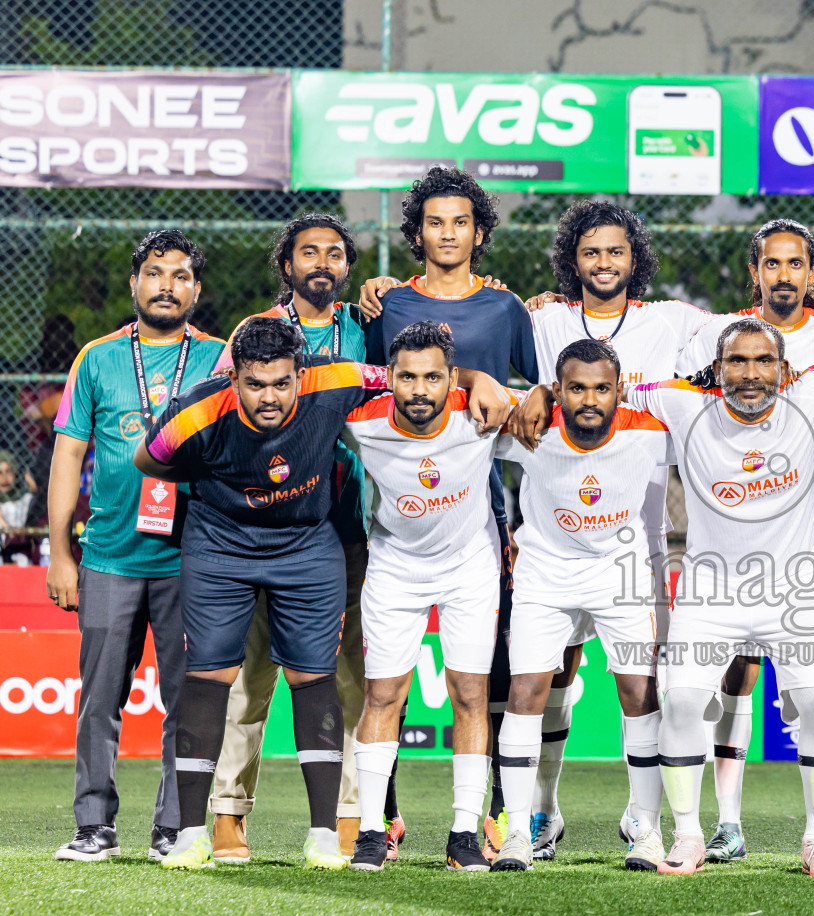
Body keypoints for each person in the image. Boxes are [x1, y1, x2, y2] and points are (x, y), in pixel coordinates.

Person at [511, 317, 814, 876]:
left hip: (794, 590)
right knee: (681, 704)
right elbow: (605, 386)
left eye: (762, 362)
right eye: (736, 361)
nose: (750, 374)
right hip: (711, 592)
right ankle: (686, 836)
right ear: (717, 367)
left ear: (784, 368)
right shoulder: (683, 403)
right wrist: (540, 390)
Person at [133, 317, 509, 870]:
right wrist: (215, 477)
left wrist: (479, 377)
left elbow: (410, 377)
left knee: (314, 678)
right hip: (220, 548)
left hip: (306, 546)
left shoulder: (336, 380)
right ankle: (191, 835)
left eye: (282, 383)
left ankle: (323, 837)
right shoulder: (197, 410)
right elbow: (149, 459)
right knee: (210, 676)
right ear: (234, 377)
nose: (269, 397)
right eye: (255, 384)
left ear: (300, 375)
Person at [517, 200, 712, 861]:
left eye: (616, 252)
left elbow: (759, 336)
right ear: (573, 260)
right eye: (591, 252)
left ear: (636, 260)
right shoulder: (541, 318)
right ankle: (543, 811)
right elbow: (482, 338)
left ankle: (641, 816)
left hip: (634, 546)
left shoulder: (672, 322)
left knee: (640, 685)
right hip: (554, 537)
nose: (604, 263)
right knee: (556, 677)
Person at [674, 219, 814, 866]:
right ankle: (726, 820)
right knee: (729, 675)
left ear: (813, 273)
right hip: (734, 533)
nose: (783, 275)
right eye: (771, 264)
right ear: (754, 271)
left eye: (796, 264)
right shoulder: (717, 334)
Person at [360, 166, 538, 861]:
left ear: (479, 232)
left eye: (460, 222)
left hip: (484, 500)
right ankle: (387, 817)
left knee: (483, 675)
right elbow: (375, 389)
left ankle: (484, 820)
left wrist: (528, 519)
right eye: (434, 222)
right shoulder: (387, 305)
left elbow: (533, 399)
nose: (447, 233)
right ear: (417, 232)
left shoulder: (503, 308)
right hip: (403, 503)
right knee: (387, 683)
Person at [46, 229, 225, 862]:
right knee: (99, 699)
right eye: (155, 273)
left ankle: (173, 828)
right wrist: (61, 551)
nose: (166, 286)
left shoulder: (220, 359)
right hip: (109, 556)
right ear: (134, 283)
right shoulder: (94, 359)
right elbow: (68, 453)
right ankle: (94, 825)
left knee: (188, 699)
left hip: (193, 559)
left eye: (180, 275)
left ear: (196, 290)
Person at [209, 213, 374, 866]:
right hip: (265, 525)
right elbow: (225, 421)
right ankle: (228, 814)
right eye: (310, 252)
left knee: (347, 679)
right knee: (251, 677)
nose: (323, 263)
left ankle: (347, 813)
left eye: (335, 254)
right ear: (287, 265)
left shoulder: (365, 329)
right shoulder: (252, 337)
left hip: (345, 525)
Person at [492, 340, 673, 872]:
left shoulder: (649, 427)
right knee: (527, 689)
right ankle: (519, 833)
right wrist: (528, 394)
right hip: (545, 574)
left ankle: (647, 827)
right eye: (574, 388)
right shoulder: (529, 427)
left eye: (600, 388)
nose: (588, 399)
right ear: (558, 389)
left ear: (619, 387)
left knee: (639, 690)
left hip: (619, 574)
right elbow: (466, 406)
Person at [341, 322, 510, 872]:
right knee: (383, 696)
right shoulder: (359, 423)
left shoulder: (481, 414)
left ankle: (463, 833)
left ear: (451, 378)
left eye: (432, 377)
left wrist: (492, 384)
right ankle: (371, 831)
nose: (419, 389)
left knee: (469, 694)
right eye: (407, 377)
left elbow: (543, 415)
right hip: (394, 566)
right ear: (388, 377)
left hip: (470, 566)